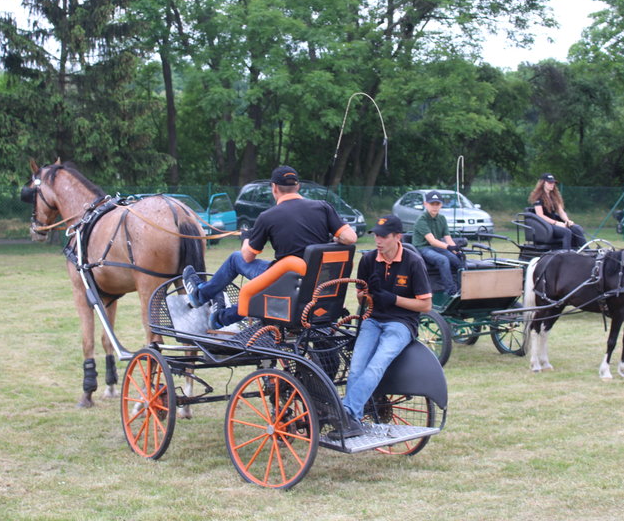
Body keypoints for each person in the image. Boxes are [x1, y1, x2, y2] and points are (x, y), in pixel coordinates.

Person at [183, 165, 358, 328]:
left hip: (287, 282)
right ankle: (214, 308)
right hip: (321, 283)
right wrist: (329, 243)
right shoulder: (323, 207)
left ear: (274, 188)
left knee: (235, 258)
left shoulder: (267, 217)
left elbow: (247, 257)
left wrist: (246, 237)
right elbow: (350, 237)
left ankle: (201, 296)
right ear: (298, 187)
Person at [329, 214, 432, 440]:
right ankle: (353, 418)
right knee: (356, 367)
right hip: (373, 319)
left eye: (383, 236)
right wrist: (367, 295)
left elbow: (425, 305)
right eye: (376, 235)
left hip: (402, 323)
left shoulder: (413, 263)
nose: (378, 240)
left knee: (376, 365)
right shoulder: (368, 260)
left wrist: (392, 299)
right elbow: (360, 298)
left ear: (398, 237)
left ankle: (347, 414)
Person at [411, 190, 462, 296]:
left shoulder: (442, 218)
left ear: (441, 205)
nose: (434, 206)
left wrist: (456, 250)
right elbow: (432, 241)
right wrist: (449, 247)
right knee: (443, 260)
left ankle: (463, 288)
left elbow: (448, 238)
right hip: (422, 248)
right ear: (426, 204)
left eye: (437, 204)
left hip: (437, 247)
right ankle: (451, 292)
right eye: (432, 204)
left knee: (458, 260)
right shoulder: (421, 220)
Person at [529, 173, 586, 249]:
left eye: (553, 183)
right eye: (549, 183)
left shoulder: (553, 197)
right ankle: (566, 254)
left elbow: (561, 211)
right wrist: (556, 223)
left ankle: (587, 251)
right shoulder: (538, 198)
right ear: (543, 183)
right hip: (545, 226)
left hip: (554, 224)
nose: (552, 184)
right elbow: (540, 215)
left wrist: (567, 221)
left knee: (576, 228)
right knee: (567, 232)